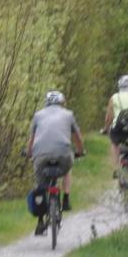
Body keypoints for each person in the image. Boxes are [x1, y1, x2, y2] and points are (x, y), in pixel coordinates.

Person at [27, 90, 85, 236]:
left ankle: (40, 221)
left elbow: (32, 140)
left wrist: (29, 154)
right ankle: (66, 198)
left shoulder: (38, 115)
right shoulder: (68, 114)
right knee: (67, 169)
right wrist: (80, 150)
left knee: (40, 184)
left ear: (46, 103)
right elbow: (77, 136)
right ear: (62, 102)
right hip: (63, 154)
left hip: (41, 155)